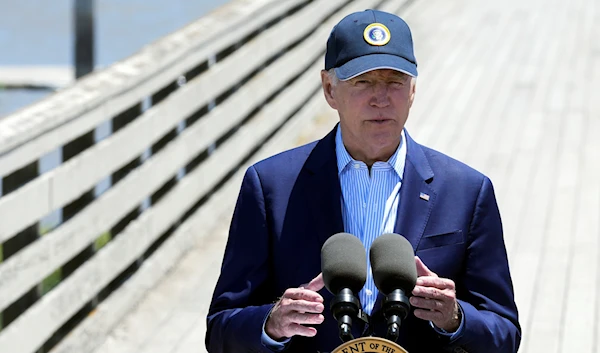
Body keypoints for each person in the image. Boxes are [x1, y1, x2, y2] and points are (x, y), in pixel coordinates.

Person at [205, 9, 521, 353]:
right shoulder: (270, 187)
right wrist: (273, 323)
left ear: (413, 90)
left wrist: (456, 319)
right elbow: (221, 330)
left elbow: (504, 333)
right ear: (329, 89)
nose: (380, 98)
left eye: (394, 82)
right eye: (363, 81)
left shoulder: (467, 191)